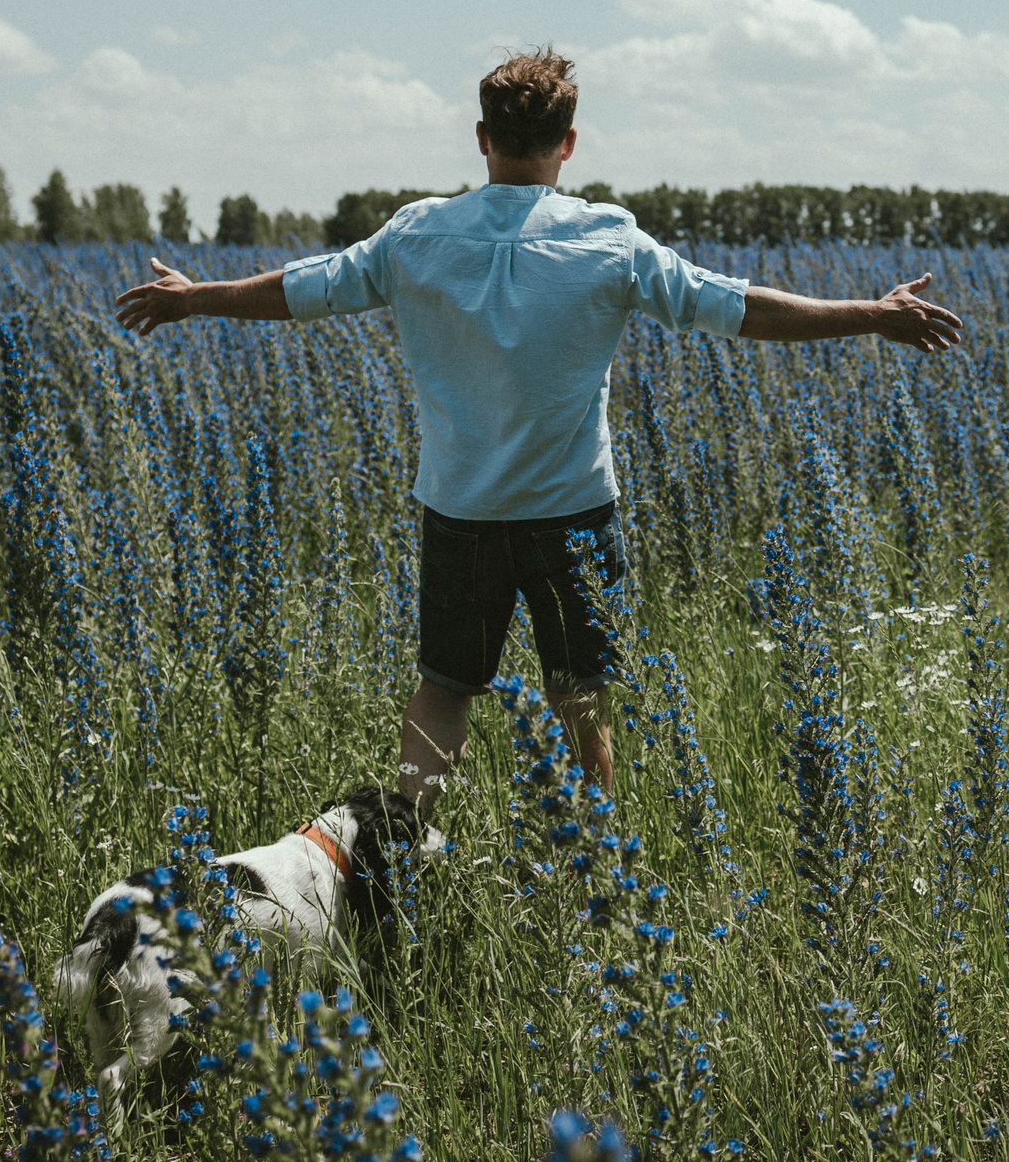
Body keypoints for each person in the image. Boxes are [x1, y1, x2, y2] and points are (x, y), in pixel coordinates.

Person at [113, 50, 962, 815]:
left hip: (460, 511)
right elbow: (739, 309)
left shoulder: (416, 235)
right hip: (573, 515)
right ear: (570, 143)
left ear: (483, 138)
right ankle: (598, 875)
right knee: (580, 699)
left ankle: (403, 861)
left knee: (443, 693)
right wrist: (871, 314)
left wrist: (195, 298)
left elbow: (303, 289)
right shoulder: (607, 240)